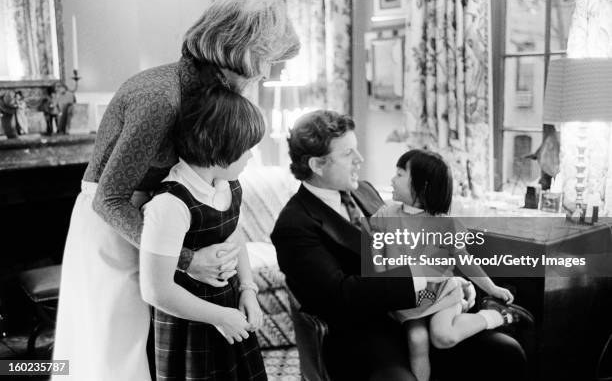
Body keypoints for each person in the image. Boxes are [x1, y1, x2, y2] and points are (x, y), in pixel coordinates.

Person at [52, 0, 299, 381]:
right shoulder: (161, 98)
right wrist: (189, 259)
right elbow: (109, 199)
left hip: (155, 223)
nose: (265, 73)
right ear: (238, 47)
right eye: (266, 59)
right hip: (113, 229)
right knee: (117, 358)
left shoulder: (204, 94)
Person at [271, 110, 528, 381]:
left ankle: (493, 318)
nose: (360, 159)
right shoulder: (295, 226)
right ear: (317, 165)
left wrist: (447, 281)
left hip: (416, 311)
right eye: (348, 154)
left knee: (506, 353)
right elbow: (342, 295)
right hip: (364, 332)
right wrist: (429, 281)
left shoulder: (364, 190)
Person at [371, 149, 533, 381]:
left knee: (443, 336)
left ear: (422, 186)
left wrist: (493, 289)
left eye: (399, 175)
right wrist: (381, 280)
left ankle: (496, 316)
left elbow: (464, 261)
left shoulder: (446, 225)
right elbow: (375, 248)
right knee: (417, 340)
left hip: (442, 292)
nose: (392, 180)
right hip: (406, 295)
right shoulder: (386, 214)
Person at [140, 85, 266, 380]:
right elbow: (156, 290)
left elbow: (234, 237)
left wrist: (248, 289)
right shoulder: (171, 203)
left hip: (228, 308)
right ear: (219, 146)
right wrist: (219, 317)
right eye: (245, 147)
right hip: (189, 322)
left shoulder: (229, 183)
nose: (250, 155)